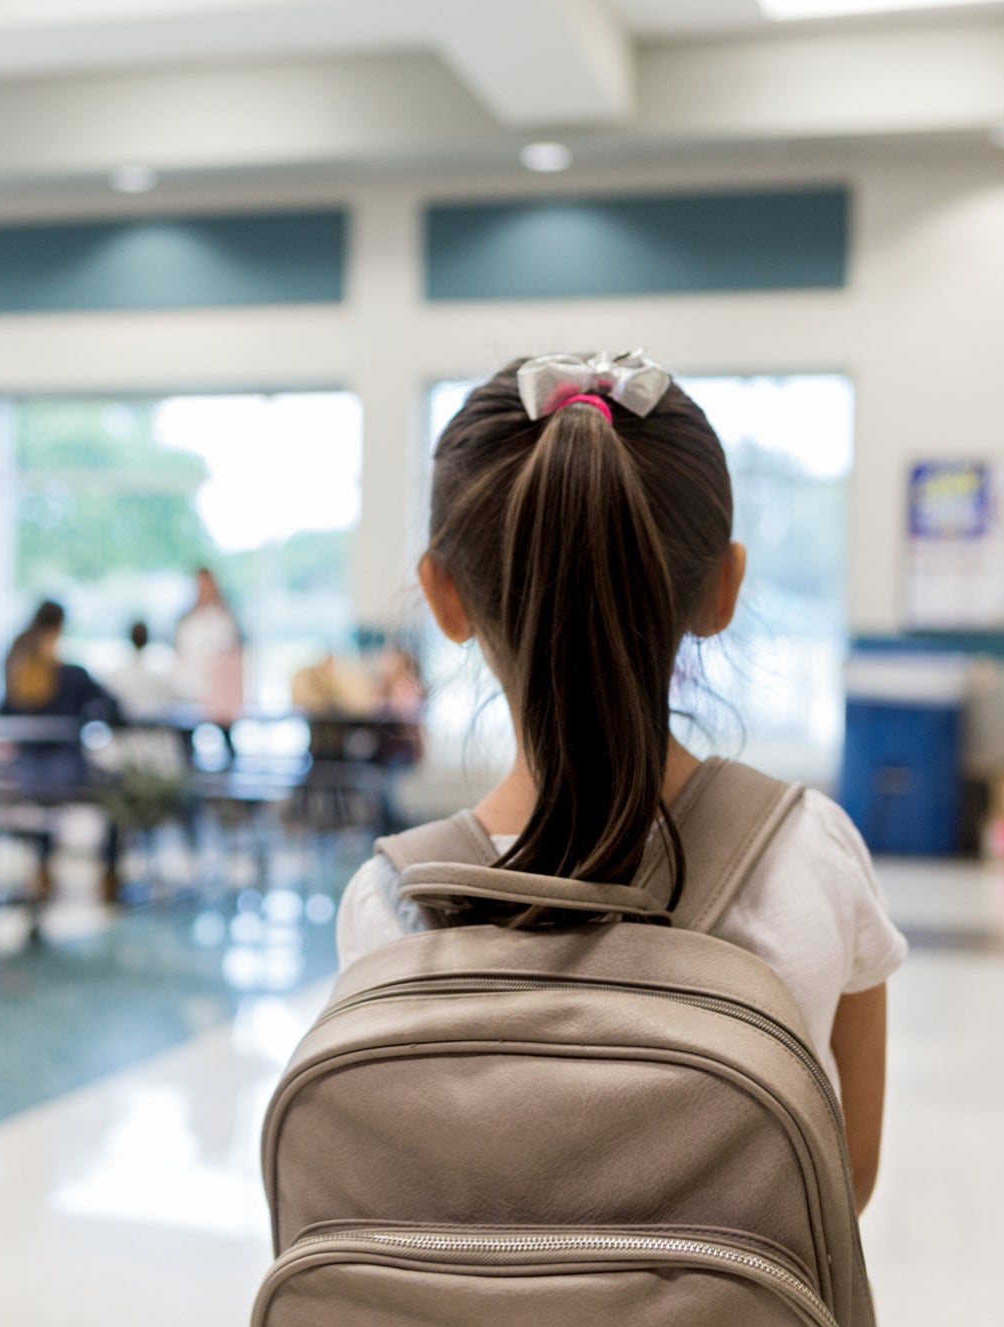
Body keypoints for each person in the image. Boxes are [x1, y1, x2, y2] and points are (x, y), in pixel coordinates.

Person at [335, 356, 907, 1213]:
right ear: (724, 587)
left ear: (442, 597)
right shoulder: (808, 850)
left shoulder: (389, 902)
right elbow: (843, 1184)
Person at [0, 600, 125, 904]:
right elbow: (114, 709)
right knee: (118, 792)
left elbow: (1, 713)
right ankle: (109, 873)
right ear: (59, 630)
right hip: (66, 774)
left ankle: (43, 868)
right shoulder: (72, 676)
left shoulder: (18, 673)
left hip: (25, 774)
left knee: (44, 803)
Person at [173, 567, 244, 722]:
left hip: (220, 695)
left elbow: (232, 654)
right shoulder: (187, 621)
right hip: (189, 691)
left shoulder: (225, 619)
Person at [105, 620, 182, 719]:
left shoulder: (117, 677)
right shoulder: (160, 675)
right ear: (148, 638)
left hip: (129, 732)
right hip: (156, 731)